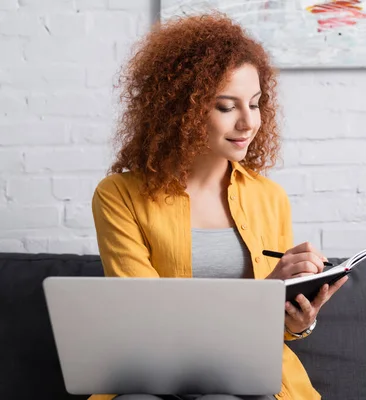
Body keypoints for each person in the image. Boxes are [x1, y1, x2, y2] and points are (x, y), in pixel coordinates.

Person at [90, 12, 348, 400]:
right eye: (227, 107)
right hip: (155, 372)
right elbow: (145, 320)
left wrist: (298, 320)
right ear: (183, 111)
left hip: (246, 371)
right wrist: (262, 293)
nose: (249, 122)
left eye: (256, 104)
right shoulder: (118, 195)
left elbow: (276, 331)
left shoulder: (269, 197)